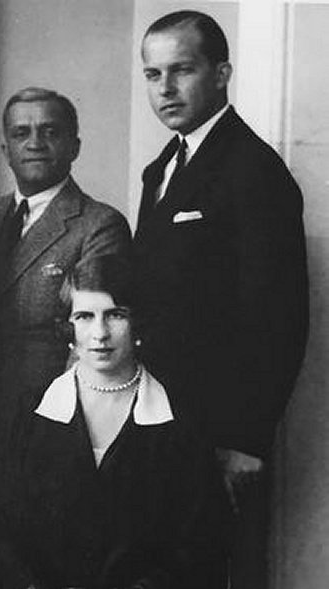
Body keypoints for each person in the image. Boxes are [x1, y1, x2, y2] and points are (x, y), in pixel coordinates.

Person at [134, 11, 308, 588]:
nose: (165, 88)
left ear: (222, 72)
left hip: (219, 434)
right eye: (153, 73)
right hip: (160, 425)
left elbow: (278, 321)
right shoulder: (161, 169)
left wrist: (244, 440)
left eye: (181, 69)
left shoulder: (254, 170)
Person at [0, 255, 228, 589]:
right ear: (67, 327)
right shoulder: (32, 413)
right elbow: (2, 532)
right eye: (84, 316)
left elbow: (200, 548)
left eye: (116, 315)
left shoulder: (178, 423)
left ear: (139, 323)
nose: (99, 333)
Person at [0, 87, 130, 425]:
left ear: (74, 146)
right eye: (21, 134)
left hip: (48, 409)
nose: (35, 143)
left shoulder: (99, 224)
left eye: (51, 132)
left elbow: (92, 338)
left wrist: (60, 422)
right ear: (6, 150)